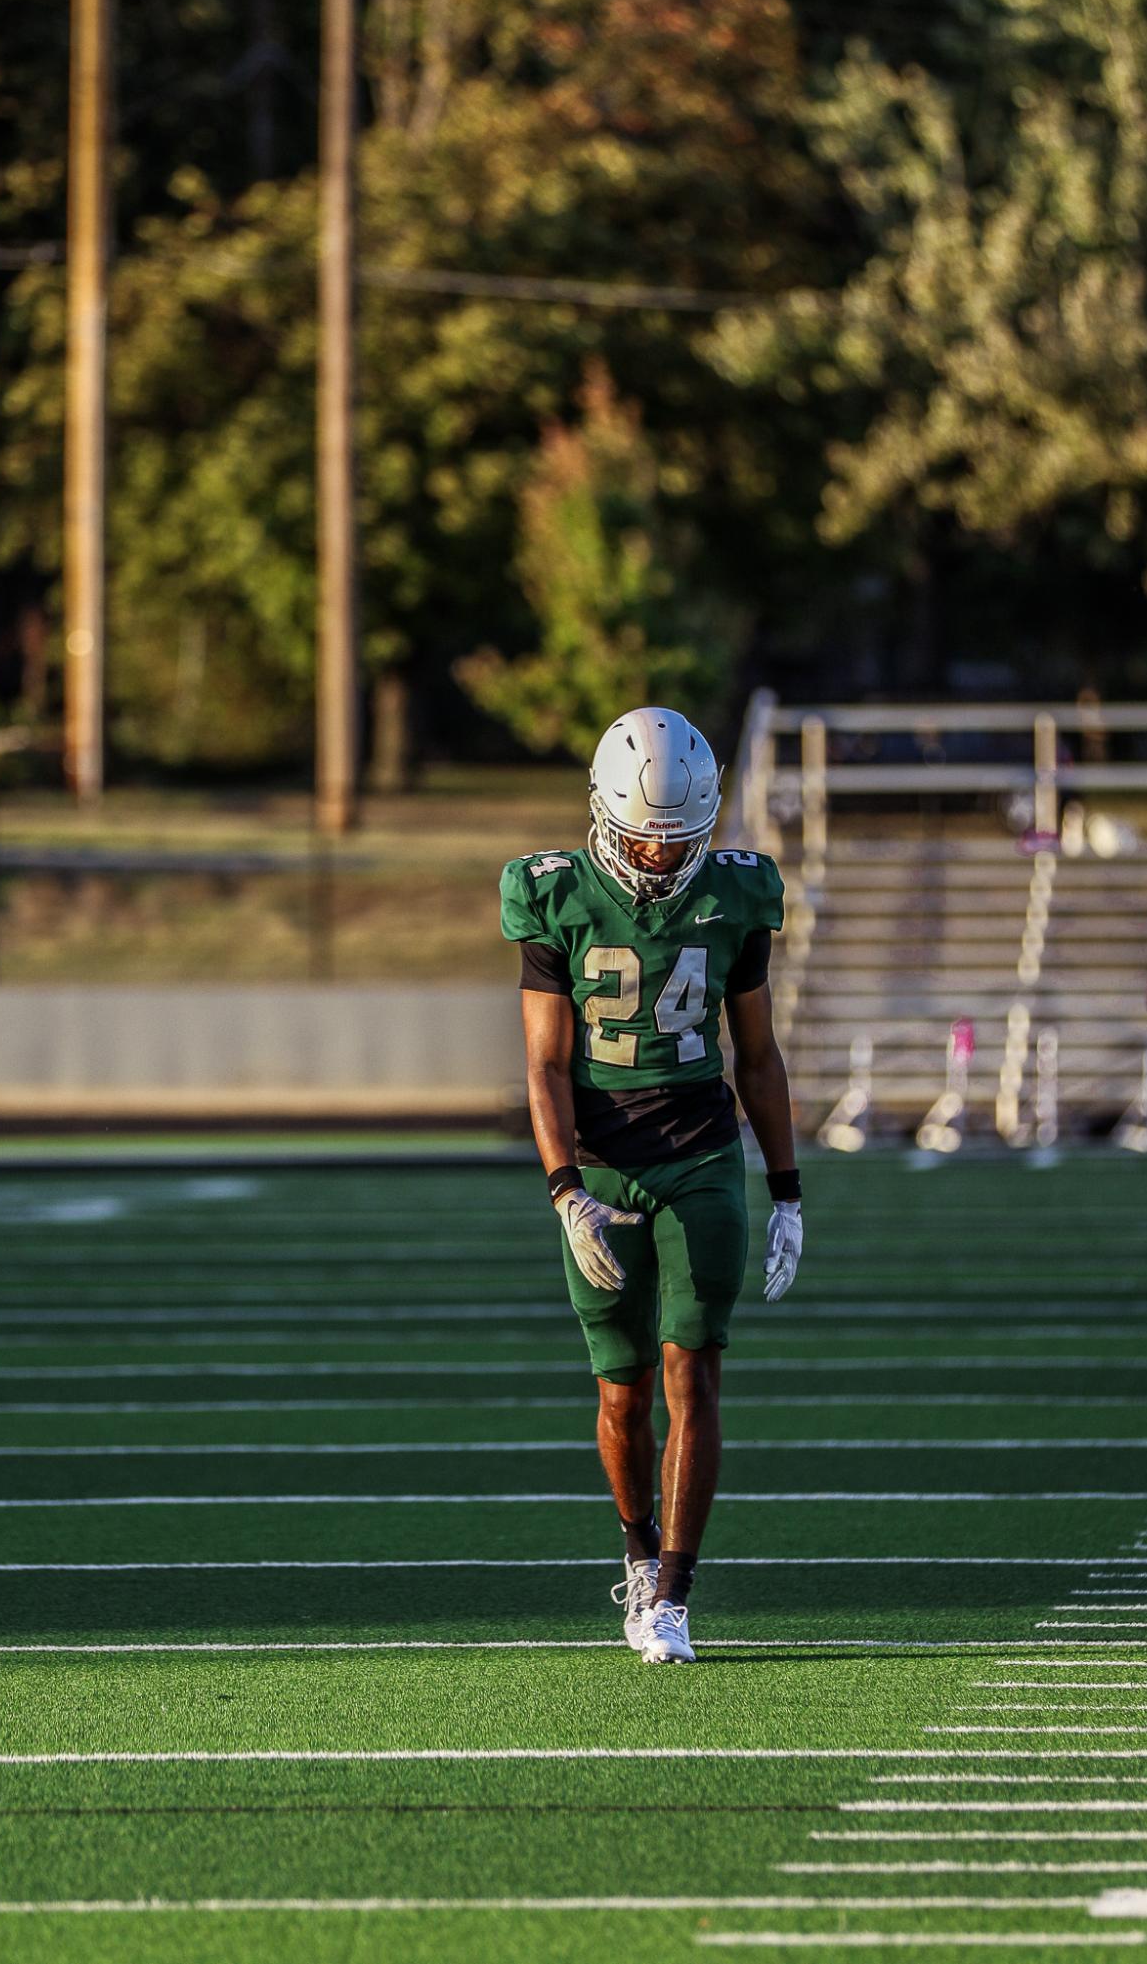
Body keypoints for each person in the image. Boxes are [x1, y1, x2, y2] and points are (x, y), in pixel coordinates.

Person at [500, 706, 803, 1664]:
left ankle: (674, 1591)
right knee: (622, 1390)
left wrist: (788, 1188)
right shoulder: (555, 895)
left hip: (703, 1153)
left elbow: (757, 1054)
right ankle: (635, 1554)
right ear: (601, 814)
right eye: (641, 840)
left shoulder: (739, 895)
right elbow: (545, 1066)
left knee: (695, 1368)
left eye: (676, 843)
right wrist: (563, 1189)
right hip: (599, 1158)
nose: (660, 861)